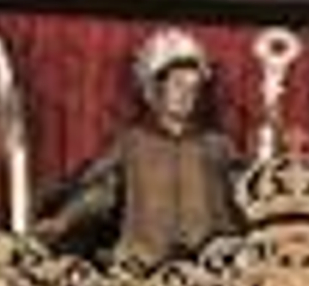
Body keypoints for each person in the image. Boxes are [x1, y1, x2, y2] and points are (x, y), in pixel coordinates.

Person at [33, 26, 241, 261]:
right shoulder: (131, 145)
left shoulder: (217, 147)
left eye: (193, 87)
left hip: (211, 274)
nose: (186, 95)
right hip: (142, 275)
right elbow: (100, 195)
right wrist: (62, 223)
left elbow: (245, 195)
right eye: (178, 85)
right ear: (155, 89)